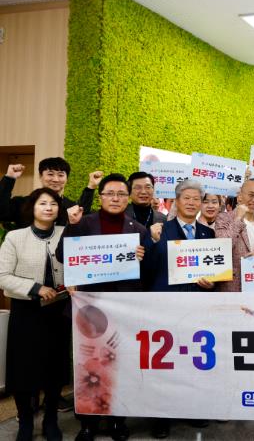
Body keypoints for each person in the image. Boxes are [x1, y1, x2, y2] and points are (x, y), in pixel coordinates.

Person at [55, 174, 148, 441]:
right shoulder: (84, 223)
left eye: (121, 194)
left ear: (128, 198)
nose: (115, 198)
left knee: (120, 365)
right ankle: (88, 422)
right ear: (101, 196)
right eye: (110, 193)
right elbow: (63, 255)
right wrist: (71, 226)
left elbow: (146, 273)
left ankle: (118, 419)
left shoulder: (138, 229)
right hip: (89, 307)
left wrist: (142, 258)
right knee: (89, 365)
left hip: (123, 307)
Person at [147, 179, 215, 438]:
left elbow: (213, 270)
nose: (191, 203)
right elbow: (148, 269)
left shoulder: (207, 233)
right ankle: (161, 416)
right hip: (166, 305)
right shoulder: (159, 230)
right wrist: (153, 242)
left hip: (196, 306)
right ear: (176, 201)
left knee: (192, 360)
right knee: (165, 363)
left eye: (196, 199)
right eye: (186, 198)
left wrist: (211, 282)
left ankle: (191, 408)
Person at [0, 188, 69, 441]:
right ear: (32, 207)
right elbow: (2, 275)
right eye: (43, 203)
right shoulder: (15, 237)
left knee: (54, 368)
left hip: (58, 310)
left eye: (53, 204)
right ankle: (25, 421)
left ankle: (51, 419)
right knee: (23, 370)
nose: (48, 208)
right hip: (26, 311)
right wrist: (36, 288)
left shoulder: (66, 233)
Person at [0, 158, 101, 228]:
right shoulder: (23, 203)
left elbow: (82, 215)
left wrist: (91, 186)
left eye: (61, 175)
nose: (56, 179)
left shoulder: (70, 206)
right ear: (40, 176)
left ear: (67, 178)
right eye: (50, 174)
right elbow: (2, 212)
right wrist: (9, 178)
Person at [215, 179, 254, 292]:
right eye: (251, 195)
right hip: (229, 289)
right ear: (239, 196)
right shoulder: (223, 218)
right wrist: (238, 218)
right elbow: (222, 247)